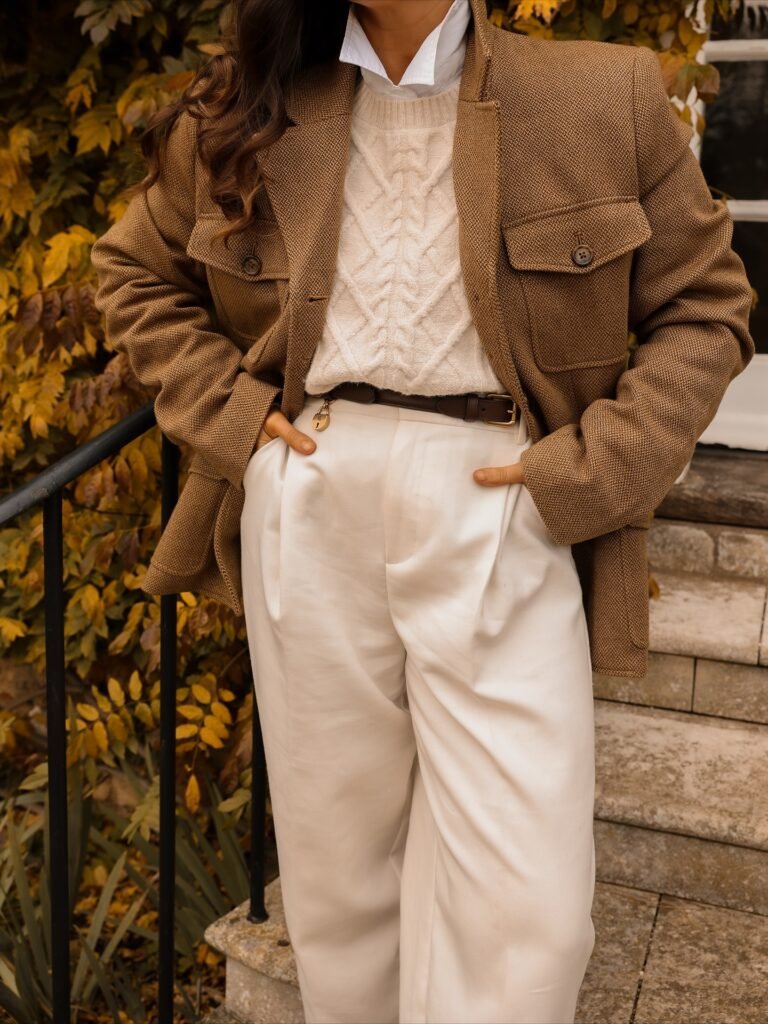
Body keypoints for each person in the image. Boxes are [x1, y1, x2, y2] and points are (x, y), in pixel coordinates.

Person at [90, 1, 755, 1021]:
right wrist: (233, 418)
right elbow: (133, 270)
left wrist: (591, 472)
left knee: (532, 914)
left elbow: (708, 308)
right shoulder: (246, 106)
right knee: (340, 884)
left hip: (503, 499)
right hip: (311, 489)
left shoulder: (600, 93)